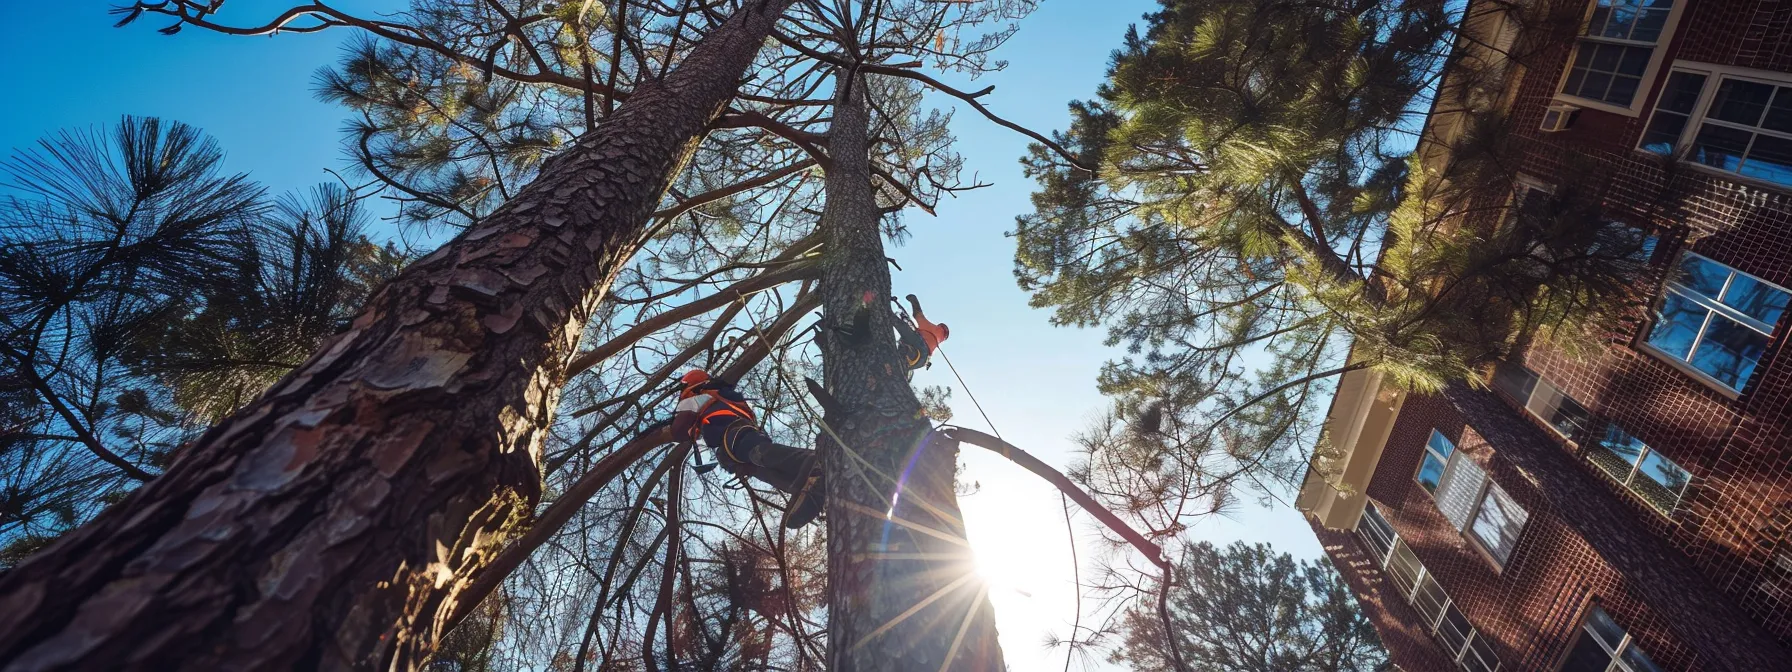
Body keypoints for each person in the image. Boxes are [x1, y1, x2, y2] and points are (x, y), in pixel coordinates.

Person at [670, 369, 824, 529]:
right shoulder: (721, 397)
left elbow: (679, 430)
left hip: (736, 436)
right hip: (737, 441)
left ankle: (813, 461)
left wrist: (678, 415)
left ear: (692, 387)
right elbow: (696, 429)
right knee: (761, 469)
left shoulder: (701, 396)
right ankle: (808, 492)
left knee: (760, 454)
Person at [896, 294, 950, 372]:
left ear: (940, 326)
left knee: (904, 328)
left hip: (919, 345)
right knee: (902, 365)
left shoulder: (934, 329)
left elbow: (918, 315)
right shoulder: (936, 343)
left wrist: (913, 300)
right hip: (921, 362)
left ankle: (889, 315)